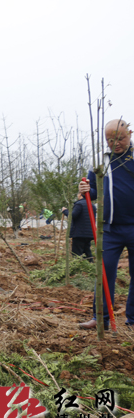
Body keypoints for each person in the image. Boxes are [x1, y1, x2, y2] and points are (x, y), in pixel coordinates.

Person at [78, 118, 134, 330]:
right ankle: (100, 318)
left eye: (120, 138)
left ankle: (133, 319)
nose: (115, 143)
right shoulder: (101, 161)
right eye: (110, 140)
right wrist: (85, 190)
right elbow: (93, 192)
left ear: (130, 135)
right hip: (109, 228)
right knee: (104, 272)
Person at [61, 193, 95, 262]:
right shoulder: (92, 205)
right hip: (89, 233)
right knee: (87, 250)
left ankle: (77, 265)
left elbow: (72, 216)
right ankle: (91, 264)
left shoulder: (79, 204)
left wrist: (65, 211)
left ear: (80, 195)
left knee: (76, 253)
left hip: (79, 233)